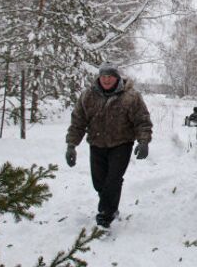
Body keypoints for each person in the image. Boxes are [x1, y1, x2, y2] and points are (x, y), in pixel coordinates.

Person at [65, 62, 153, 228]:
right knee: (99, 182)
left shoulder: (131, 97)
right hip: (97, 143)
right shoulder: (88, 96)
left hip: (121, 143)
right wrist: (71, 145)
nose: (106, 80)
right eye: (103, 76)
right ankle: (111, 206)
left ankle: (105, 214)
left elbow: (142, 121)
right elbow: (78, 121)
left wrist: (143, 142)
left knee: (113, 179)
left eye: (110, 77)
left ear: (116, 78)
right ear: (99, 77)